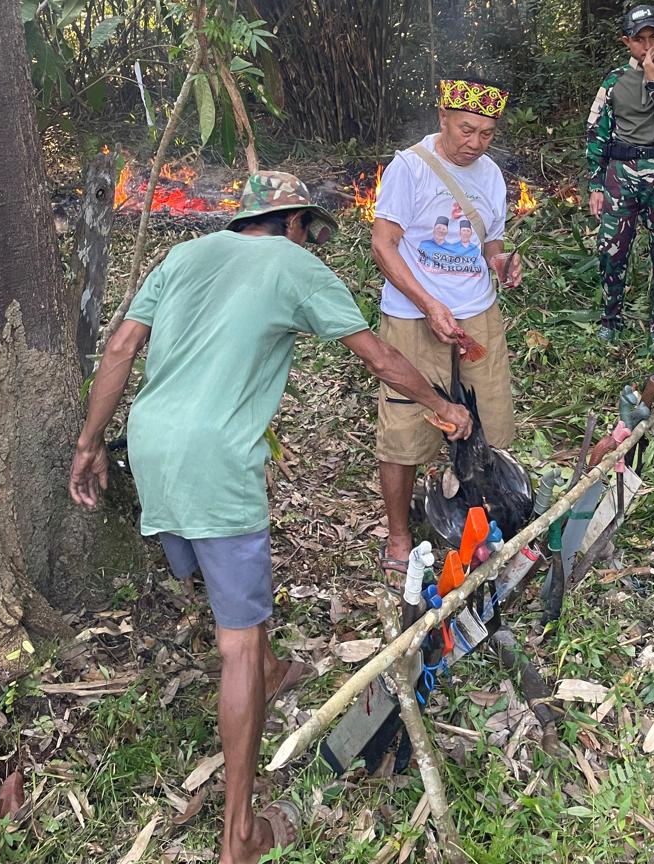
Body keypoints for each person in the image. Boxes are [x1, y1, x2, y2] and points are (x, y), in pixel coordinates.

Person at [68, 172, 471, 864]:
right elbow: (376, 356)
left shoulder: (184, 255)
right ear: (291, 223)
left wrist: (87, 443)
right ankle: (240, 836)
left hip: (152, 444)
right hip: (217, 460)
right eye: (309, 230)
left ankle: (271, 664)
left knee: (232, 605)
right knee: (236, 645)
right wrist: (443, 406)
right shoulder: (295, 264)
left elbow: (119, 349)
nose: (310, 241)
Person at [371, 77, 522, 575]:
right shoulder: (408, 169)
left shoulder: (492, 175)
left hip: (476, 314)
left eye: (485, 134)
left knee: (490, 419)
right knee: (406, 426)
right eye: (465, 130)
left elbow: (490, 245)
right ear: (442, 119)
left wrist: (501, 263)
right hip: (414, 318)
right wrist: (428, 301)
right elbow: (384, 245)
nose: (474, 143)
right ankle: (398, 537)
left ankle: (479, 520)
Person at [586, 1, 654, 346]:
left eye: (653, 36)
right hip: (621, 174)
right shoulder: (614, 81)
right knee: (612, 250)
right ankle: (611, 319)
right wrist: (596, 184)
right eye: (639, 39)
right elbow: (598, 133)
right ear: (626, 42)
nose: (648, 46)